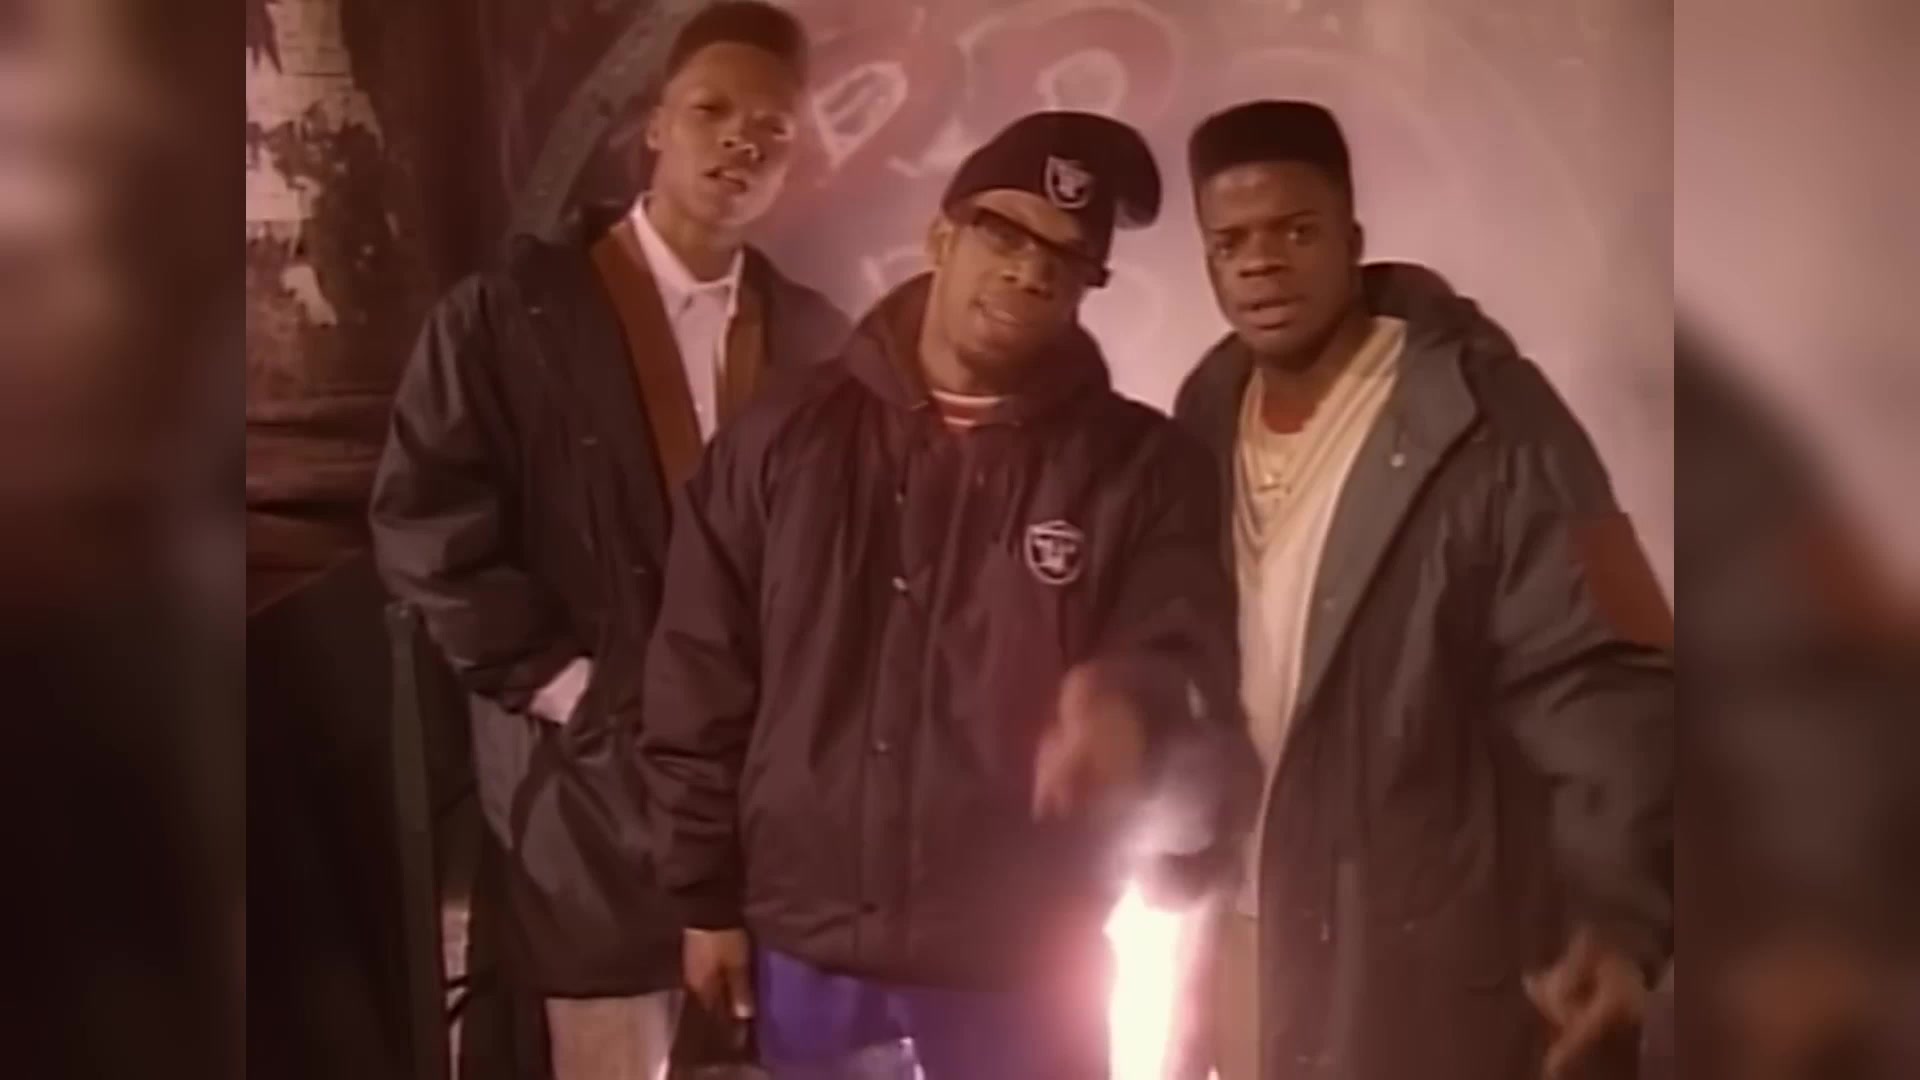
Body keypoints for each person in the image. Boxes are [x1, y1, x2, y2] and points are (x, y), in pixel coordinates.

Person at [638, 110, 1258, 1080]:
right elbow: (699, 675)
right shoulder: (783, 439)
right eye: (1004, 235)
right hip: (806, 958)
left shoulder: (1144, 471)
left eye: (1065, 260)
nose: (1029, 272)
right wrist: (703, 899)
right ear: (941, 237)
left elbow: (1187, 666)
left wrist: (1132, 715)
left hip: (1025, 972)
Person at [368, 4, 847, 1077]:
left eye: (771, 130)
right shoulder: (510, 317)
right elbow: (425, 519)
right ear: (654, 127)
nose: (740, 142)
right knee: (609, 1046)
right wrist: (568, 688)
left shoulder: (815, 340)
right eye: (712, 111)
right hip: (585, 785)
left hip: (764, 787)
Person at [1171, 100, 1674, 1080]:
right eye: (1232, 242)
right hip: (1244, 936)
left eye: (1295, 231)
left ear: (1353, 241)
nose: (1262, 262)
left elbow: (1607, 671)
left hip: (1423, 951)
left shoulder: (1494, 418)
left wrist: (1618, 914)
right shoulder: (1204, 413)